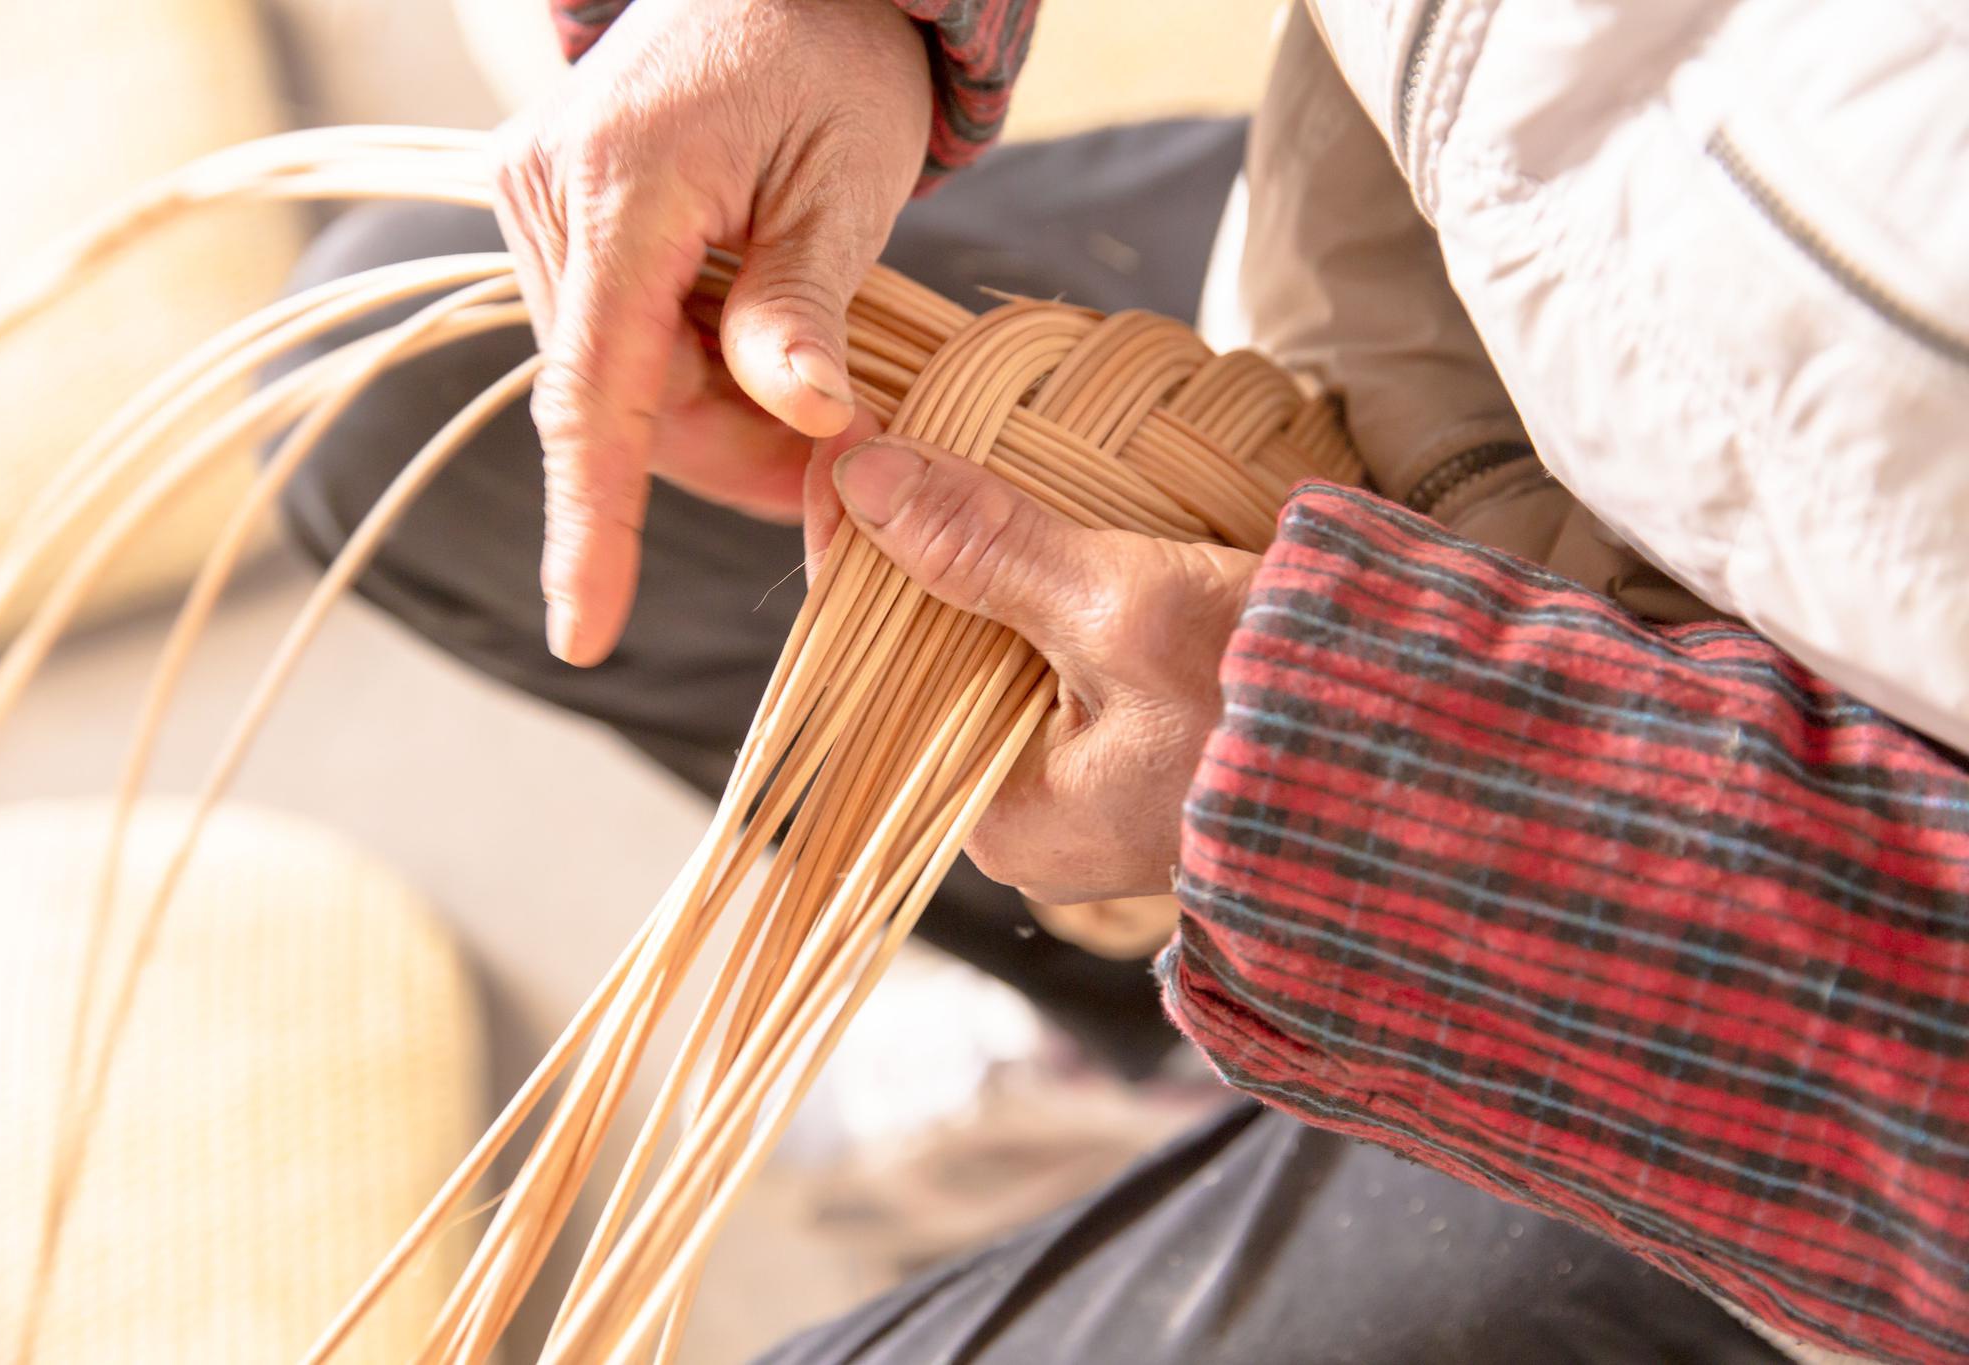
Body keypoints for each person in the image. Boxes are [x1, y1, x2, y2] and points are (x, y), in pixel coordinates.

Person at [277, 0, 1968, 1359]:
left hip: (1799, 1000)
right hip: (1437, 289)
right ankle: (1152, 1029)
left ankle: (1266, 993)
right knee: (401, 373)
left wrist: (1373, 795)